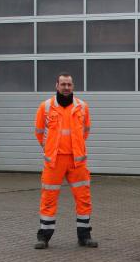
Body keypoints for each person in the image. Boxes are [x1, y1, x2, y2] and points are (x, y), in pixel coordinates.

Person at [33, 72, 98, 249]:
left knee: (84, 199)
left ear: (73, 86)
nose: (66, 87)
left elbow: (86, 131)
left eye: (69, 84)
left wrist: (76, 149)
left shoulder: (82, 107)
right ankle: (44, 237)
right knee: (48, 199)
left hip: (77, 161)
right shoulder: (45, 107)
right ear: (57, 85)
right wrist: (50, 149)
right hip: (54, 162)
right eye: (63, 84)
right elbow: (39, 133)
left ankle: (84, 236)